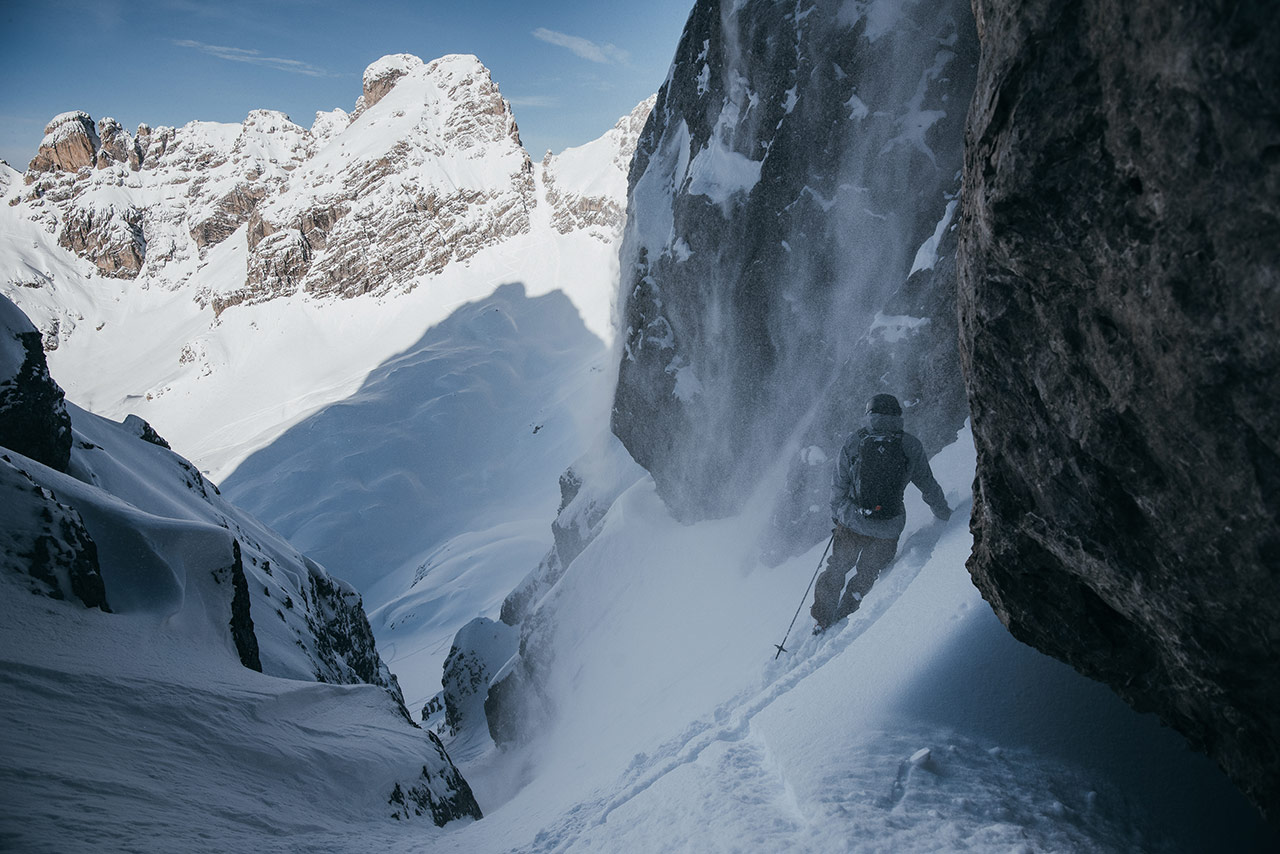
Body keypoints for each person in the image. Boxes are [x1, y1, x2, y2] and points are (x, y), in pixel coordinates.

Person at [811, 393, 951, 632]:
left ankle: (823, 619)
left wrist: (838, 514)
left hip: (853, 521)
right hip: (888, 526)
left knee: (837, 567)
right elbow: (927, 484)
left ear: (870, 414)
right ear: (898, 415)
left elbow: (839, 483)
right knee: (868, 572)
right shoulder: (909, 445)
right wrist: (944, 513)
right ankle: (847, 613)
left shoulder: (855, 441)